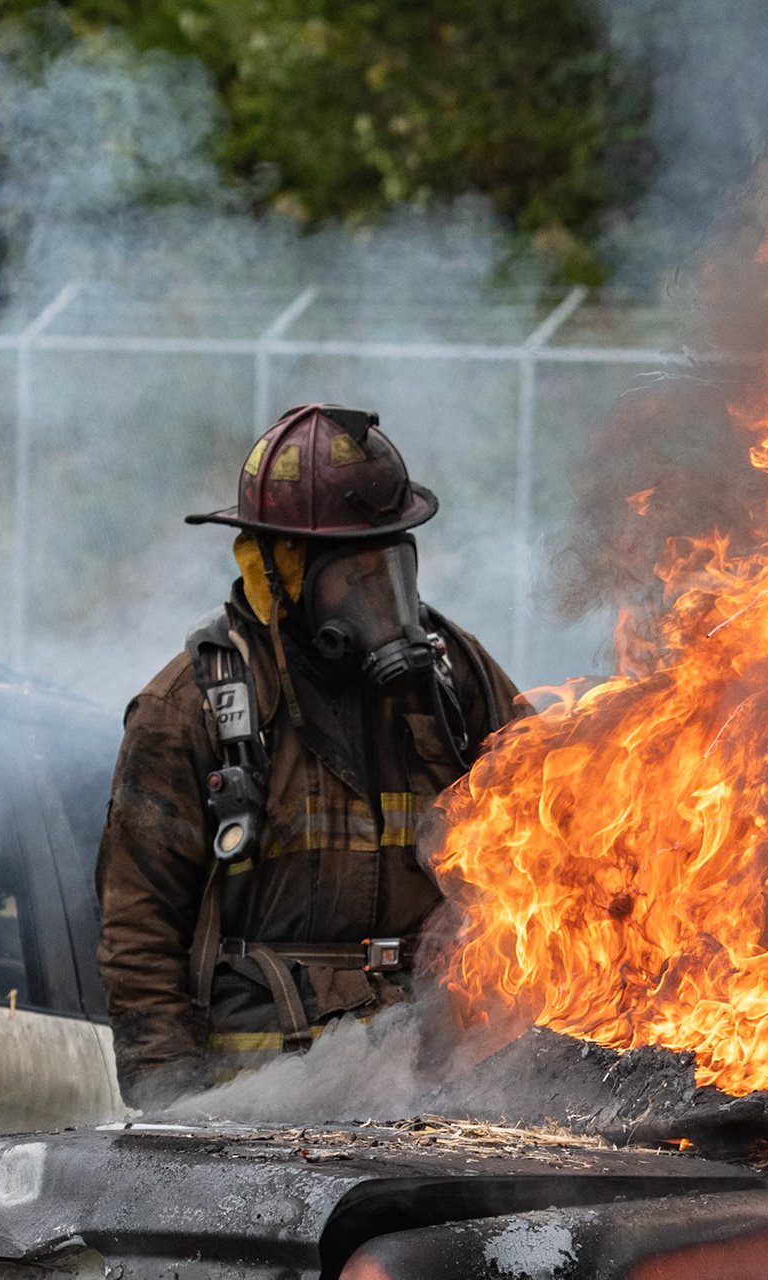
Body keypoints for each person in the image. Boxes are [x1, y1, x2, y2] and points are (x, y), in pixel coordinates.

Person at [95, 404, 522, 1108]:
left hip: (438, 1105)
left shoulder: (456, 684)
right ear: (280, 573)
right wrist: (173, 1118)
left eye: (390, 566)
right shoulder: (191, 712)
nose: (380, 598)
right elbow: (139, 938)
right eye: (352, 575)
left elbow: (555, 831)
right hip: (258, 1123)